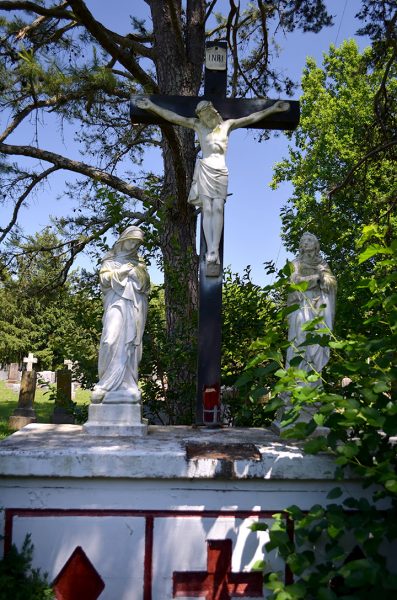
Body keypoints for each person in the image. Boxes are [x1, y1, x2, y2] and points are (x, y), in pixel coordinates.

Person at [134, 96, 289, 271]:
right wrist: (152, 106)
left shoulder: (227, 126)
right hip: (206, 169)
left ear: (213, 112)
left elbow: (251, 117)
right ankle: (211, 250)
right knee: (207, 209)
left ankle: (215, 247)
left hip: (221, 170)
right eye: (203, 117)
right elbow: (173, 117)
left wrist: (273, 109)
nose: (206, 120)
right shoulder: (198, 126)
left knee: (218, 208)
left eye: (208, 116)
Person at [91, 226, 150, 403]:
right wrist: (121, 272)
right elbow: (103, 280)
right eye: (131, 241)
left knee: (130, 344)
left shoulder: (139, 263)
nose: (133, 245)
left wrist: (134, 273)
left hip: (135, 306)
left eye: (137, 243)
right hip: (115, 302)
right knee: (110, 339)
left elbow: (146, 285)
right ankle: (106, 382)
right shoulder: (110, 259)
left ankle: (128, 383)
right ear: (123, 240)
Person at [286, 232, 337, 380]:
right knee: (300, 340)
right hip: (302, 306)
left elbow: (330, 283)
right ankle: (297, 381)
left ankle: (313, 382)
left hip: (318, 307)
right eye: (303, 241)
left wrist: (324, 279)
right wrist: (317, 278)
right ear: (300, 246)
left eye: (309, 240)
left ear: (316, 245)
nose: (306, 242)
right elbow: (295, 282)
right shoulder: (296, 263)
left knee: (317, 341)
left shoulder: (322, 264)